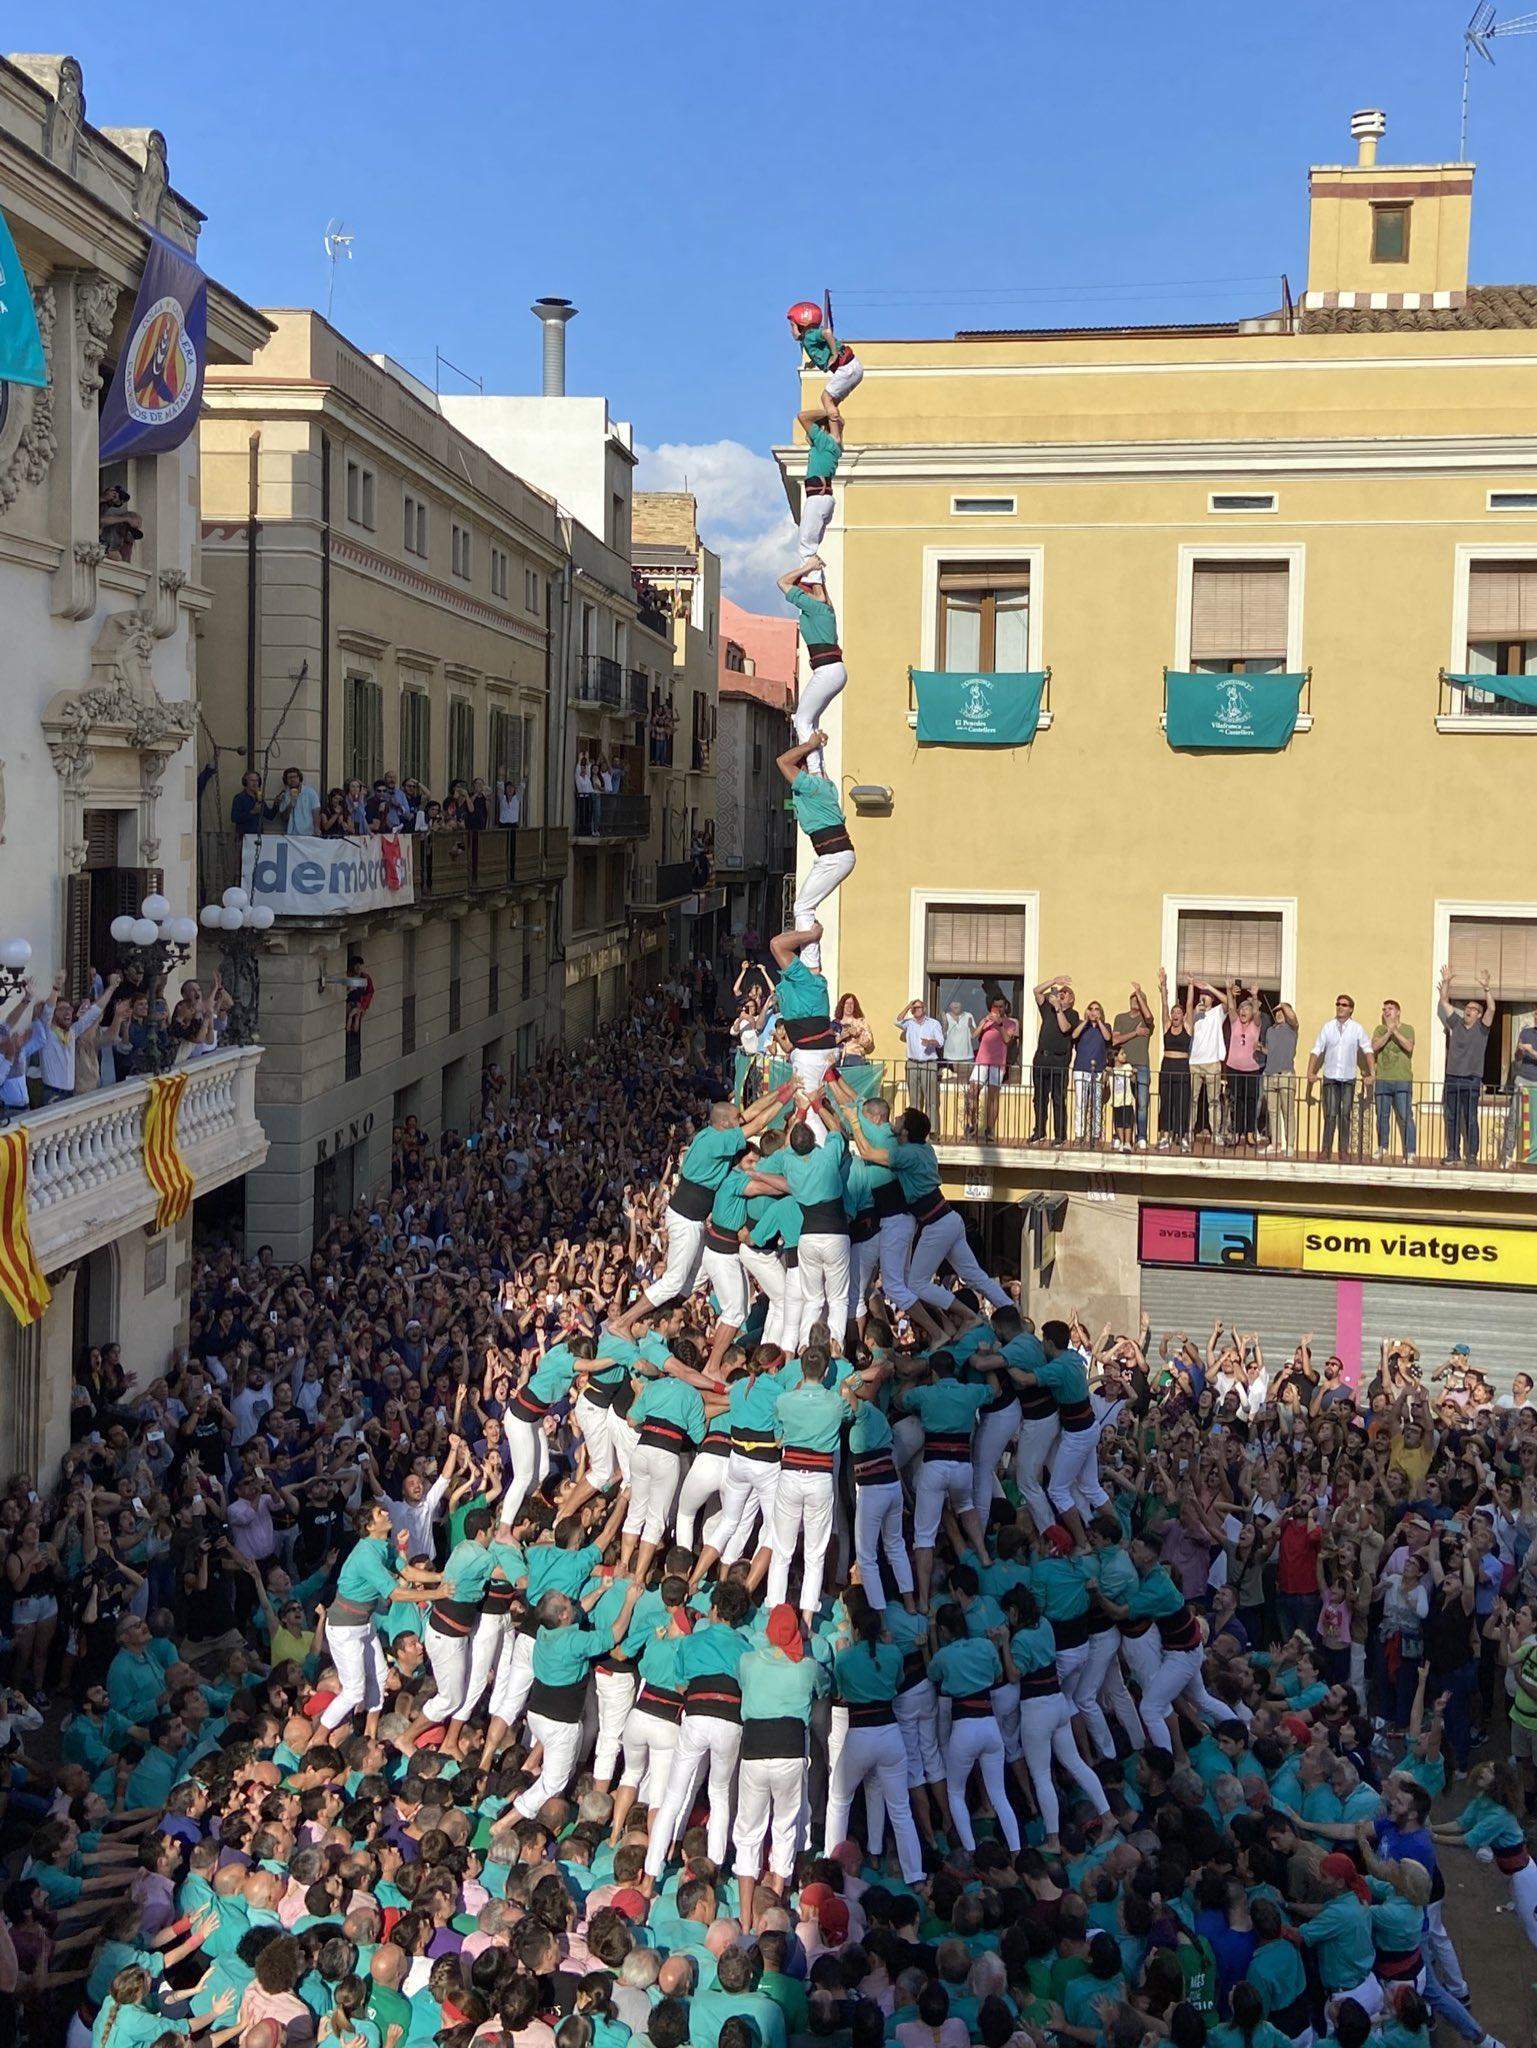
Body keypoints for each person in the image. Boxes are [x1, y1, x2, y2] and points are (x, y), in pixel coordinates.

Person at [779, 737, 853, 974]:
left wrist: (810, 745)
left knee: (802, 907)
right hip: (834, 855)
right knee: (803, 906)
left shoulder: (811, 786)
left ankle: (812, 965)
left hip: (834, 855)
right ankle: (811, 962)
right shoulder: (823, 786)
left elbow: (782, 762)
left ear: (802, 768)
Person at [777, 566, 845, 777]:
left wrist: (808, 567)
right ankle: (820, 769)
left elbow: (782, 582)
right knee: (811, 721)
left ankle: (816, 772)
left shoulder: (816, 606)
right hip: (831, 670)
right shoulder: (825, 609)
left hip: (827, 671)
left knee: (801, 720)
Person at [1306, 993, 1376, 1162]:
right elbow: (1316, 1050)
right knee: (1330, 1114)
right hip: (1330, 1077)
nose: (1340, 1007)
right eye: (1338, 1004)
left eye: (1344, 1005)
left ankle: (1343, 1150)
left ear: (1351, 1009)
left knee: (1345, 1115)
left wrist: (1372, 1074)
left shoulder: (1357, 1028)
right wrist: (1310, 1073)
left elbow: (1368, 1050)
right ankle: (1326, 1149)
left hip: (1348, 1078)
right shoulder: (1328, 1027)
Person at [1437, 964, 1493, 1164]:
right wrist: (1447, 982)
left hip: (1471, 1079)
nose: (1468, 1010)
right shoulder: (1456, 1023)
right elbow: (1444, 1001)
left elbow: (1492, 1008)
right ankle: (1453, 1154)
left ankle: (1472, 1156)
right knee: (1451, 1118)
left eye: (1473, 1009)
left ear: (1479, 1014)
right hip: (1452, 1077)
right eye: (1467, 1007)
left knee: (1470, 1118)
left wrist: (1486, 989)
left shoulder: (1482, 1028)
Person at [788, 303, 863, 430]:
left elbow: (827, 333)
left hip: (846, 367)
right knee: (832, 403)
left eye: (793, 326)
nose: (791, 330)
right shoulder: (808, 339)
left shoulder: (811, 334)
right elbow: (820, 350)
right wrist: (812, 363)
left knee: (826, 398)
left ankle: (835, 435)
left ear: (802, 325)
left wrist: (834, 354)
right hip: (853, 367)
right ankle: (834, 426)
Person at [1031, 976, 1078, 1144]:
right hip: (1041, 1059)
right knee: (1039, 1098)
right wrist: (1054, 980)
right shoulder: (1047, 1009)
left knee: (1058, 1099)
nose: (1062, 993)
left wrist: (1058, 1008)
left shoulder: (1073, 1014)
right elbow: (1036, 991)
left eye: (1066, 993)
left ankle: (1060, 1135)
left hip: (1059, 1062)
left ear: (1071, 1000)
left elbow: (1065, 1028)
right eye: (1061, 992)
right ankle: (1039, 1131)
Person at [1372, 999, 1418, 1163]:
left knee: (1406, 1117)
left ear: (1398, 1011)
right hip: (1383, 1078)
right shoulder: (1379, 1029)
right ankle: (1382, 1147)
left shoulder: (1408, 1028)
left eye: (1390, 1009)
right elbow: (1375, 1047)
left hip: (1402, 1080)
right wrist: (1388, 1032)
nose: (1386, 1011)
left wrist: (1395, 1031)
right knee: (1382, 1116)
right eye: (1384, 1009)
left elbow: (1409, 1047)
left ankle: (1410, 1151)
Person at [795, 407, 842, 567]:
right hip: (823, 497)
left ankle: (810, 579)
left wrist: (828, 412)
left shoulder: (823, 441)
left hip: (817, 497)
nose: (807, 434)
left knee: (805, 545)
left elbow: (802, 417)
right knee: (810, 544)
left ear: (821, 428)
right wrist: (833, 416)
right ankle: (813, 576)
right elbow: (837, 432)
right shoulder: (832, 444)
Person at [968, 996, 1019, 1140]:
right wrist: (984, 1022)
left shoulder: (1011, 1023)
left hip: (997, 1063)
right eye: (996, 1006)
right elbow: (973, 1035)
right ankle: (973, 1124)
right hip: (981, 1061)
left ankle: (989, 1129)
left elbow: (1008, 1040)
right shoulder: (986, 1021)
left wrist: (1000, 1024)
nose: (998, 1009)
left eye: (1001, 1006)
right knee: (972, 1093)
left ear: (1006, 1007)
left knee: (992, 1097)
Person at [1110, 983, 1154, 1148]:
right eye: (1133, 998)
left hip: (1142, 1066)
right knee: (1121, 1101)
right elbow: (1115, 1040)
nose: (1136, 1000)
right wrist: (1135, 1033)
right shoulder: (1120, 1018)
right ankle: (1118, 1135)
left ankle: (1141, 1136)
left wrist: (1139, 993)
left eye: (1140, 999)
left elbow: (1149, 1016)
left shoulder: (1146, 1020)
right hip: (1123, 1066)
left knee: (1142, 1103)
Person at [893, 998, 945, 1124]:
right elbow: (896, 1021)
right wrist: (908, 1006)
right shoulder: (909, 1023)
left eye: (918, 1007)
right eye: (914, 1008)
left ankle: (932, 1130)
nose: (916, 1010)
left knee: (931, 1100)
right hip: (912, 1063)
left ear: (924, 1009)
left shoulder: (933, 1023)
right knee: (914, 1100)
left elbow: (941, 1042)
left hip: (929, 1063)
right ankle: (914, 1130)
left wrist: (930, 1042)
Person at [273, 767, 321, 837]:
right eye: (289, 778)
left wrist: (317, 828)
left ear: (299, 778)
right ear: (286, 780)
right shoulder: (285, 795)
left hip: (308, 833)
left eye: (295, 777)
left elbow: (316, 811)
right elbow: (283, 818)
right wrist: (290, 805)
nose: (292, 779)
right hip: (291, 834)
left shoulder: (310, 792)